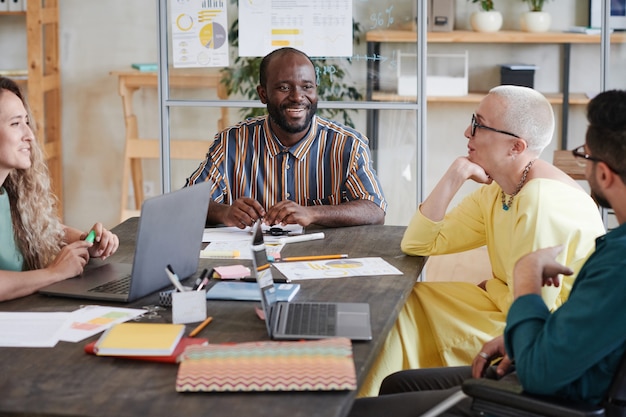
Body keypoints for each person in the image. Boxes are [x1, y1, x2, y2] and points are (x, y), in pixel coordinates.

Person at [349, 88, 626, 417]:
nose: (468, 132)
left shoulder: (542, 202)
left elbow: (536, 312)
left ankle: (351, 403)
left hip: (524, 336)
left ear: (516, 146)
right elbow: (419, 243)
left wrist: (503, 282)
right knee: (407, 302)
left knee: (404, 317)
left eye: (479, 124)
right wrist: (456, 174)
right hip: (523, 327)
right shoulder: (503, 190)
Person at [185, 47, 386, 228]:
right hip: (250, 262)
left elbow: (375, 208)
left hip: (322, 261)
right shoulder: (232, 143)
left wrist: (313, 213)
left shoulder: (348, 144)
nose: (298, 97)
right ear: (263, 94)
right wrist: (224, 213)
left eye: (307, 87)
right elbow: (188, 201)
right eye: (284, 88)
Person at [0, 77, 119, 302]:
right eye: (15, 124)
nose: (29, 135)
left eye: (26, 122)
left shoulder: (10, 189)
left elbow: (41, 228)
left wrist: (84, 241)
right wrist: (53, 273)